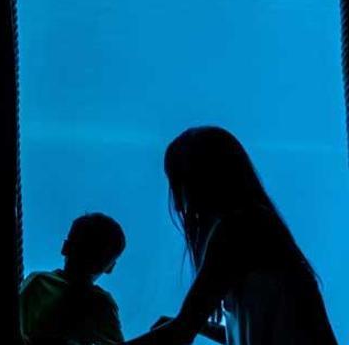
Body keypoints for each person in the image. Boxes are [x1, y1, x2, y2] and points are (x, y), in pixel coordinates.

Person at [124, 126, 338, 345]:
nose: (178, 204)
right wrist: (201, 326)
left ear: (201, 179)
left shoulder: (238, 228)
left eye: (179, 182)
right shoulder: (254, 223)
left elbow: (182, 330)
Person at [19, 213, 126, 345]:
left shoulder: (39, 282)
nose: (90, 255)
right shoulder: (102, 304)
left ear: (65, 247)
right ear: (110, 267)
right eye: (87, 246)